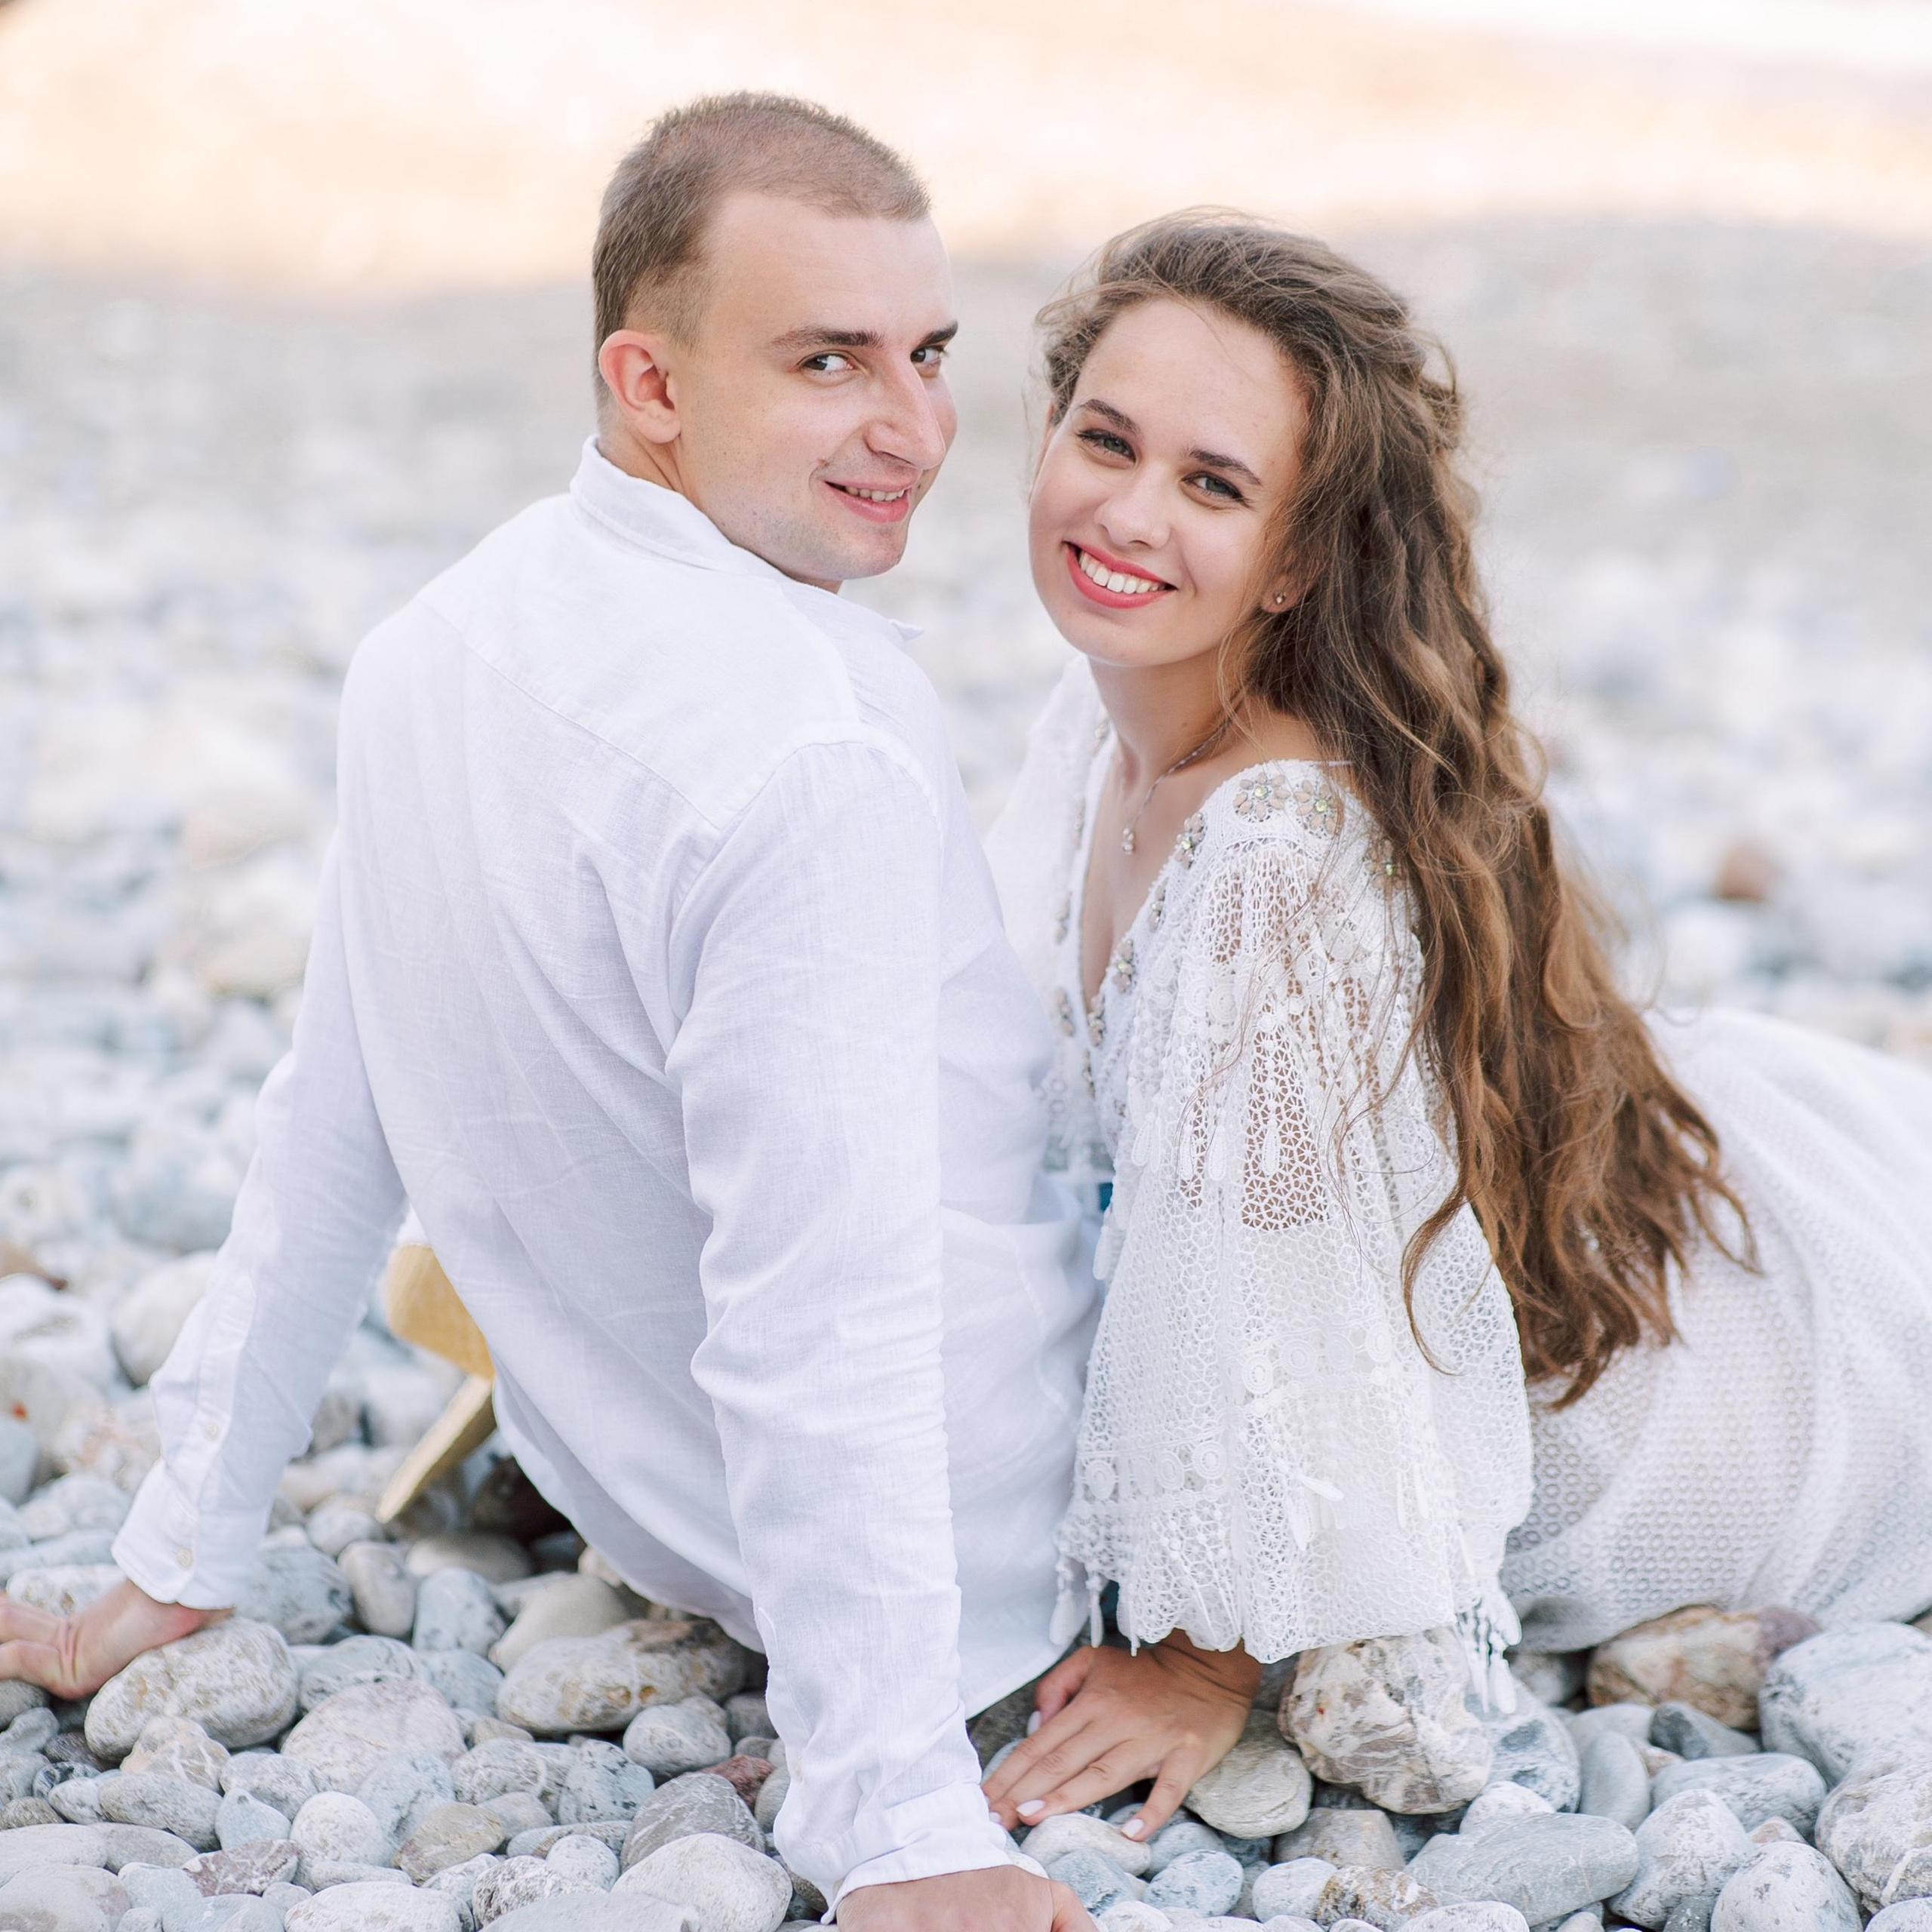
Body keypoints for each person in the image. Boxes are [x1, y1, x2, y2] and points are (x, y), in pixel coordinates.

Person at [0, 94, 1099, 1932]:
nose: (913, 432)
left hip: (651, 1500)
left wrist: (172, 1553)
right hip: (985, 1523)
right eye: (827, 362)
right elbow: (817, 1305)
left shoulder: (434, 639)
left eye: (926, 354)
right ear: (645, 379)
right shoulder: (803, 749)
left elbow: (323, 1120)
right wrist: (896, 1806)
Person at [977, 210, 1932, 1839]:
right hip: (1590, 1200)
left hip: (1643, 1388)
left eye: (1211, 484)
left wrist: (1203, 1658)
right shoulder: (1107, 705)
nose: (1127, 512)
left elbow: (1273, 1286)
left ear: (1291, 559)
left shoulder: (1272, 856)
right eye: (1104, 439)